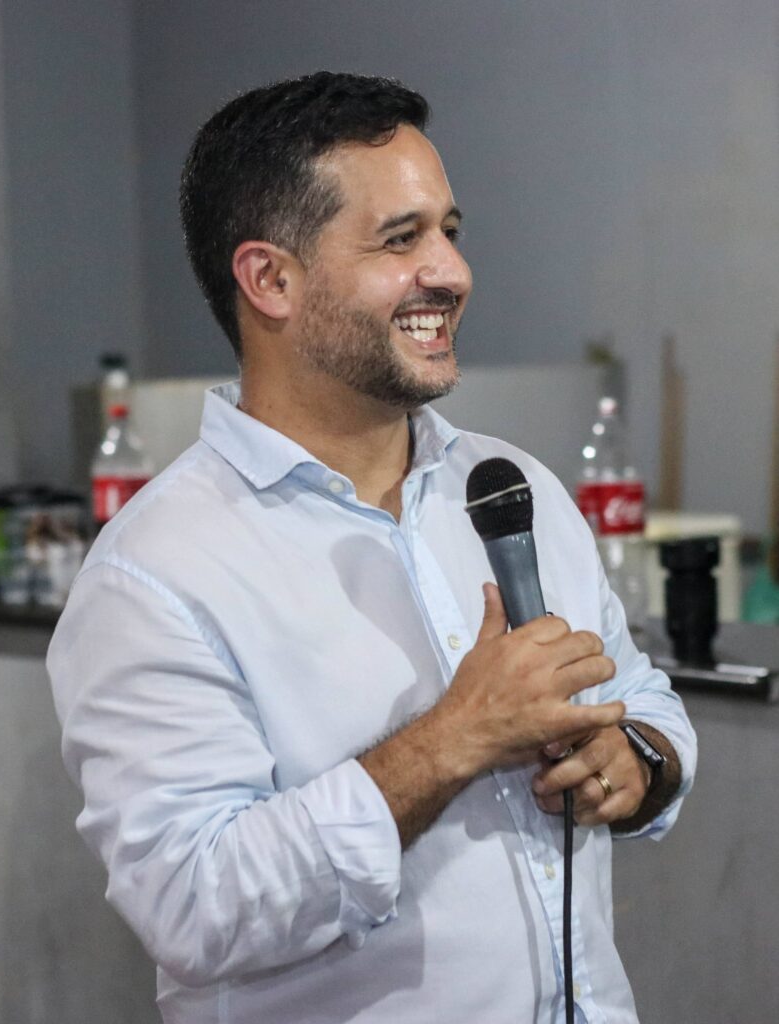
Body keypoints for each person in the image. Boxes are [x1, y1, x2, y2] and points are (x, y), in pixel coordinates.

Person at [48, 72, 696, 1023]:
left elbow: (640, 695)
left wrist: (635, 761)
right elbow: (194, 906)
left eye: (449, 231)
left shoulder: (511, 485)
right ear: (270, 280)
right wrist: (454, 738)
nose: (451, 272)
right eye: (400, 239)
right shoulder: (153, 575)